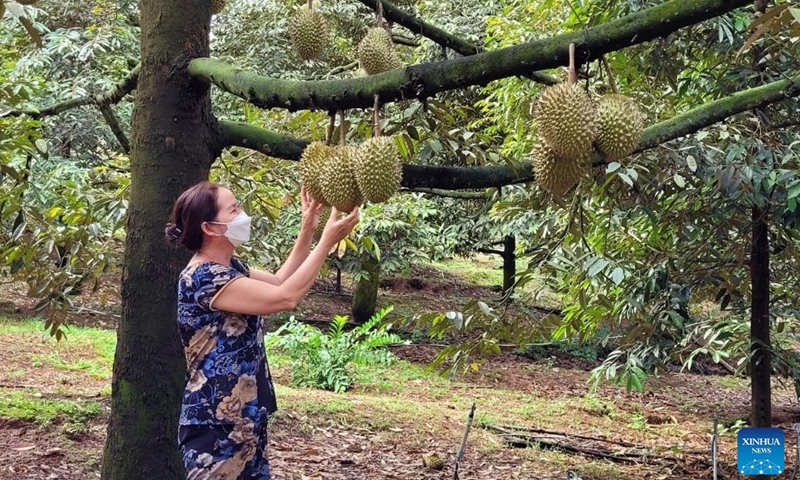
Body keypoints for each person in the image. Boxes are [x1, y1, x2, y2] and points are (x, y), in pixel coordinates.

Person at [164, 180, 359, 480]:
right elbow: (286, 298)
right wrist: (326, 242)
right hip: (215, 426)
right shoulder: (202, 278)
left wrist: (308, 228)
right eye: (234, 209)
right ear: (211, 228)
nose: (243, 215)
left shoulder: (232, 269)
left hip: (245, 419)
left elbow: (281, 281)